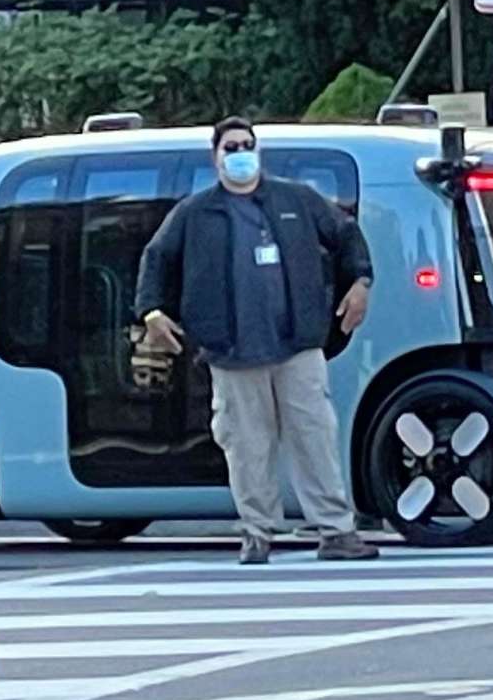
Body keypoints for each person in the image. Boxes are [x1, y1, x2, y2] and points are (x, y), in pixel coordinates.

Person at [134, 117, 380, 564]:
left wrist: (360, 283)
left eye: (247, 145)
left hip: (298, 345)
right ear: (216, 157)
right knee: (247, 447)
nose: (240, 153)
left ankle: (337, 531)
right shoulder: (195, 213)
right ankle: (257, 533)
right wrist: (151, 312)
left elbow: (346, 235)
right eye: (231, 147)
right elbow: (157, 259)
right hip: (231, 352)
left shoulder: (296, 200)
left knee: (315, 437)